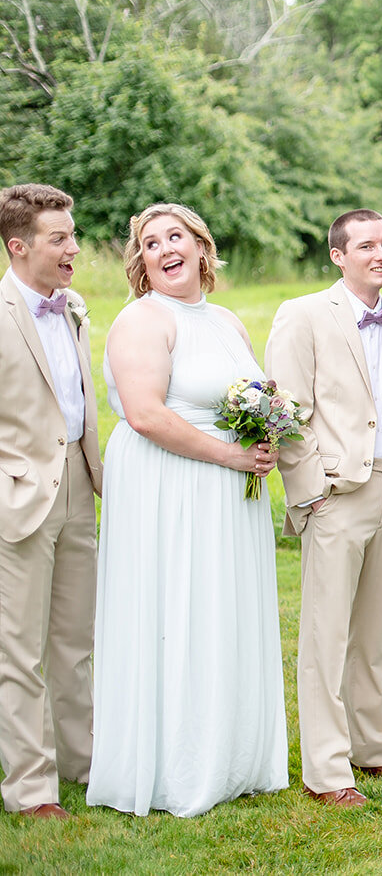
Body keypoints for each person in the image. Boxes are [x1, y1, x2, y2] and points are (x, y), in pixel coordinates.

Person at [87, 203, 288, 817]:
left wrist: (265, 438)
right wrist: (231, 456)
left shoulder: (227, 321)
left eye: (175, 236)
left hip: (226, 495)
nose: (164, 248)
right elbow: (145, 415)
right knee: (176, 607)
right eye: (150, 243)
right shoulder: (144, 320)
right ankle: (173, 767)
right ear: (142, 265)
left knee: (221, 609)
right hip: (169, 485)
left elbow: (248, 399)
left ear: (202, 248)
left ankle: (229, 758)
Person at [265, 210, 382, 808]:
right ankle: (327, 770)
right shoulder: (302, 315)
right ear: (337, 255)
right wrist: (312, 490)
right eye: (367, 246)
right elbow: (288, 408)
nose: (381, 254)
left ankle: (371, 747)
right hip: (337, 492)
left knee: (374, 629)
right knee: (326, 632)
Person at [0, 184, 101, 820]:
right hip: (19, 493)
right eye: (58, 238)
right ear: (18, 246)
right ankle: (31, 788)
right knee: (21, 648)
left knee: (74, 640)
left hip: (80, 486)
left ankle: (83, 765)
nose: (73, 248)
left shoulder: (72, 308)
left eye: (73, 235)